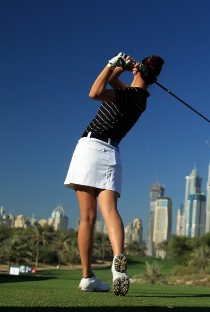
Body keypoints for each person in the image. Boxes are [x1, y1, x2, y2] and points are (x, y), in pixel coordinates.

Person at [64, 52, 164, 296]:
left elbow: (95, 92)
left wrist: (110, 64)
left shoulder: (128, 94)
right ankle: (118, 263)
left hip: (89, 148)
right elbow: (113, 84)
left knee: (87, 218)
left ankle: (87, 277)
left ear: (139, 71)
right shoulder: (140, 99)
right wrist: (123, 69)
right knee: (110, 210)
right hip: (112, 152)